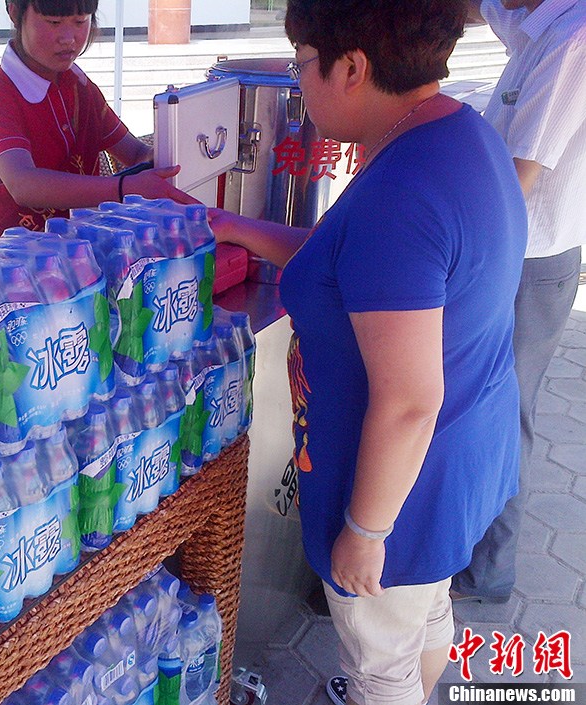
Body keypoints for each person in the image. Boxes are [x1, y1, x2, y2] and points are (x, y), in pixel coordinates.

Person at [208, 1, 527, 703]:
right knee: (424, 611)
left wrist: (364, 529)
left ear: (352, 67)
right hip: (461, 453)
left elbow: (409, 401)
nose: (300, 84)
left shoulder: (399, 194)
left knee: (380, 661)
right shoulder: (457, 133)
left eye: (302, 65)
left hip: (397, 487)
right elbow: (353, 263)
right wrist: (235, 226)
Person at [451, 0, 586, 605]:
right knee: (492, 404)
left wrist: (448, 239)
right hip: (516, 249)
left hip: (529, 259)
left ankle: (488, 571)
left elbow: (518, 175)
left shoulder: (573, 39)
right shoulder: (542, 21)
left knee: (506, 411)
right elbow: (494, 14)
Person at [0, 0, 193, 236]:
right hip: (17, 252)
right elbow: (23, 184)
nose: (68, 38)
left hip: (85, 244)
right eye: (53, 22)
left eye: (80, 21)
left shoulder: (80, 86)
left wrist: (174, 154)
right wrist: (122, 188)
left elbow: (136, 154)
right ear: (15, 12)